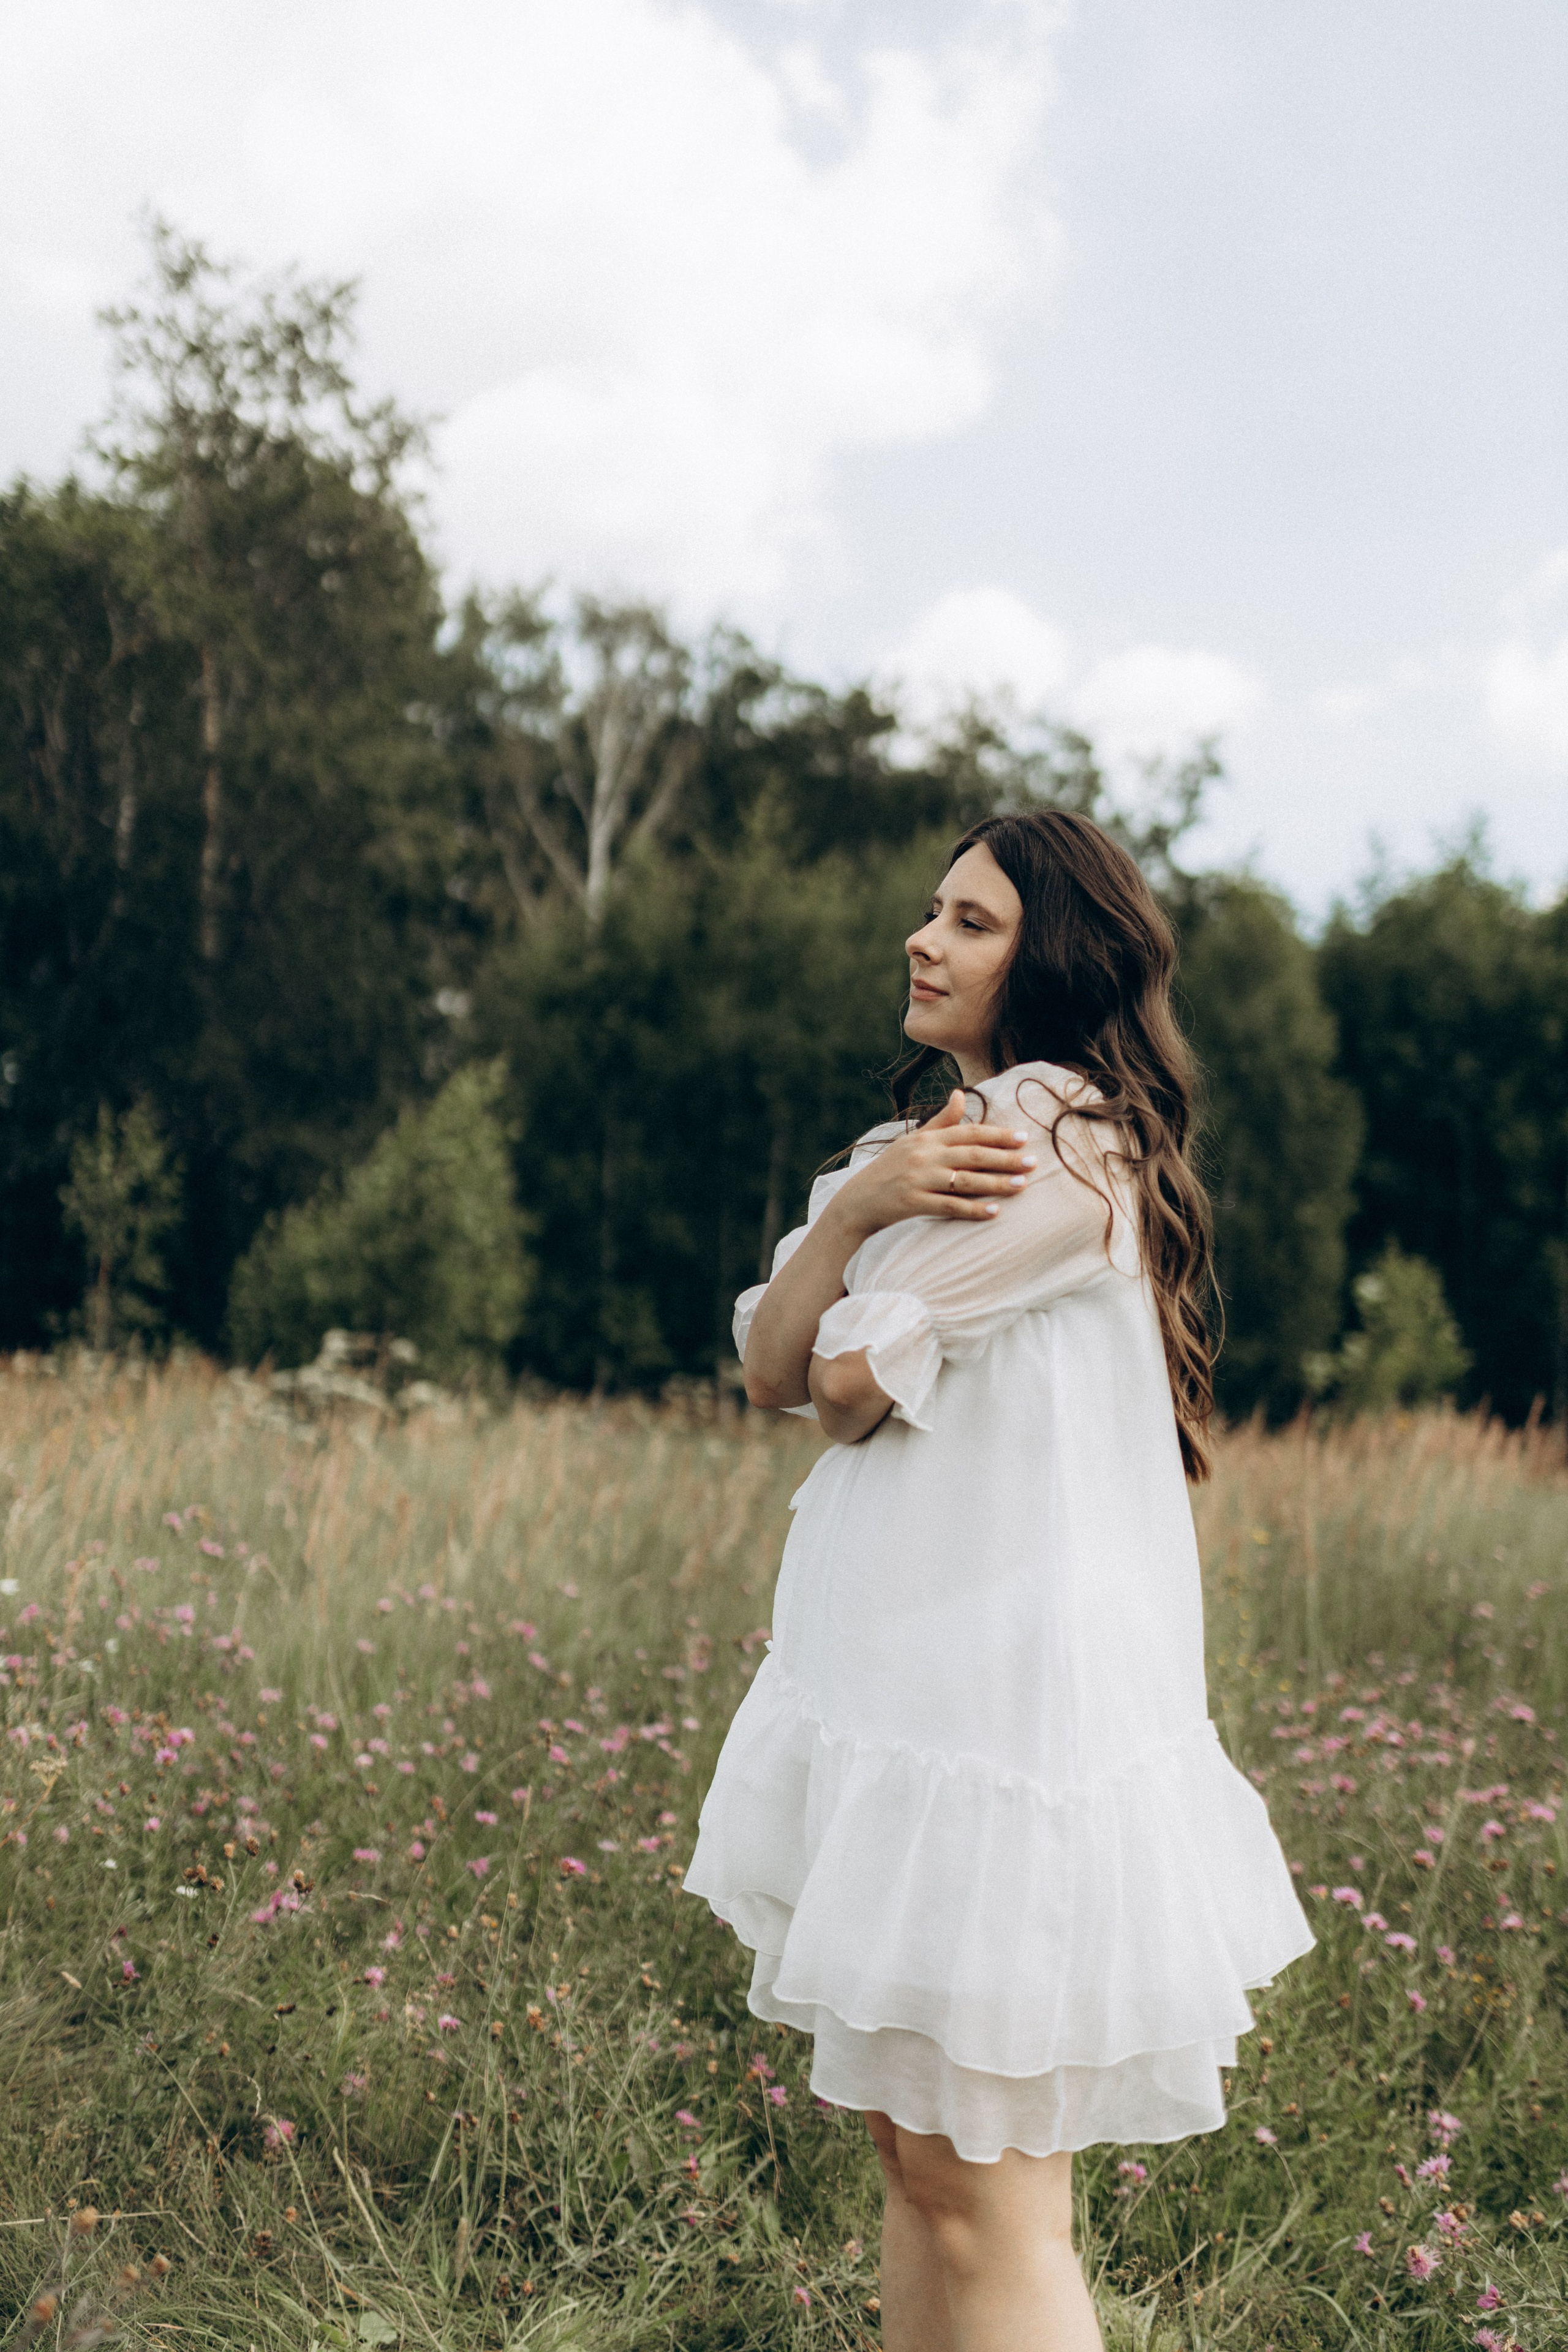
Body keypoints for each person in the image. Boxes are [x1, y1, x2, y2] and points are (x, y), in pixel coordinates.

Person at [683, 810, 1313, 2351]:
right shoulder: (927, 1149)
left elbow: (839, 1384)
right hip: (917, 1703)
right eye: (932, 910)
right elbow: (765, 1366)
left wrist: (862, 1249)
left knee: (994, 2202)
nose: (922, 938)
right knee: (920, 2169)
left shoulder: (1056, 1138)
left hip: (1005, 1726)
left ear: (1053, 959)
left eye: (971, 922)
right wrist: (855, 1210)